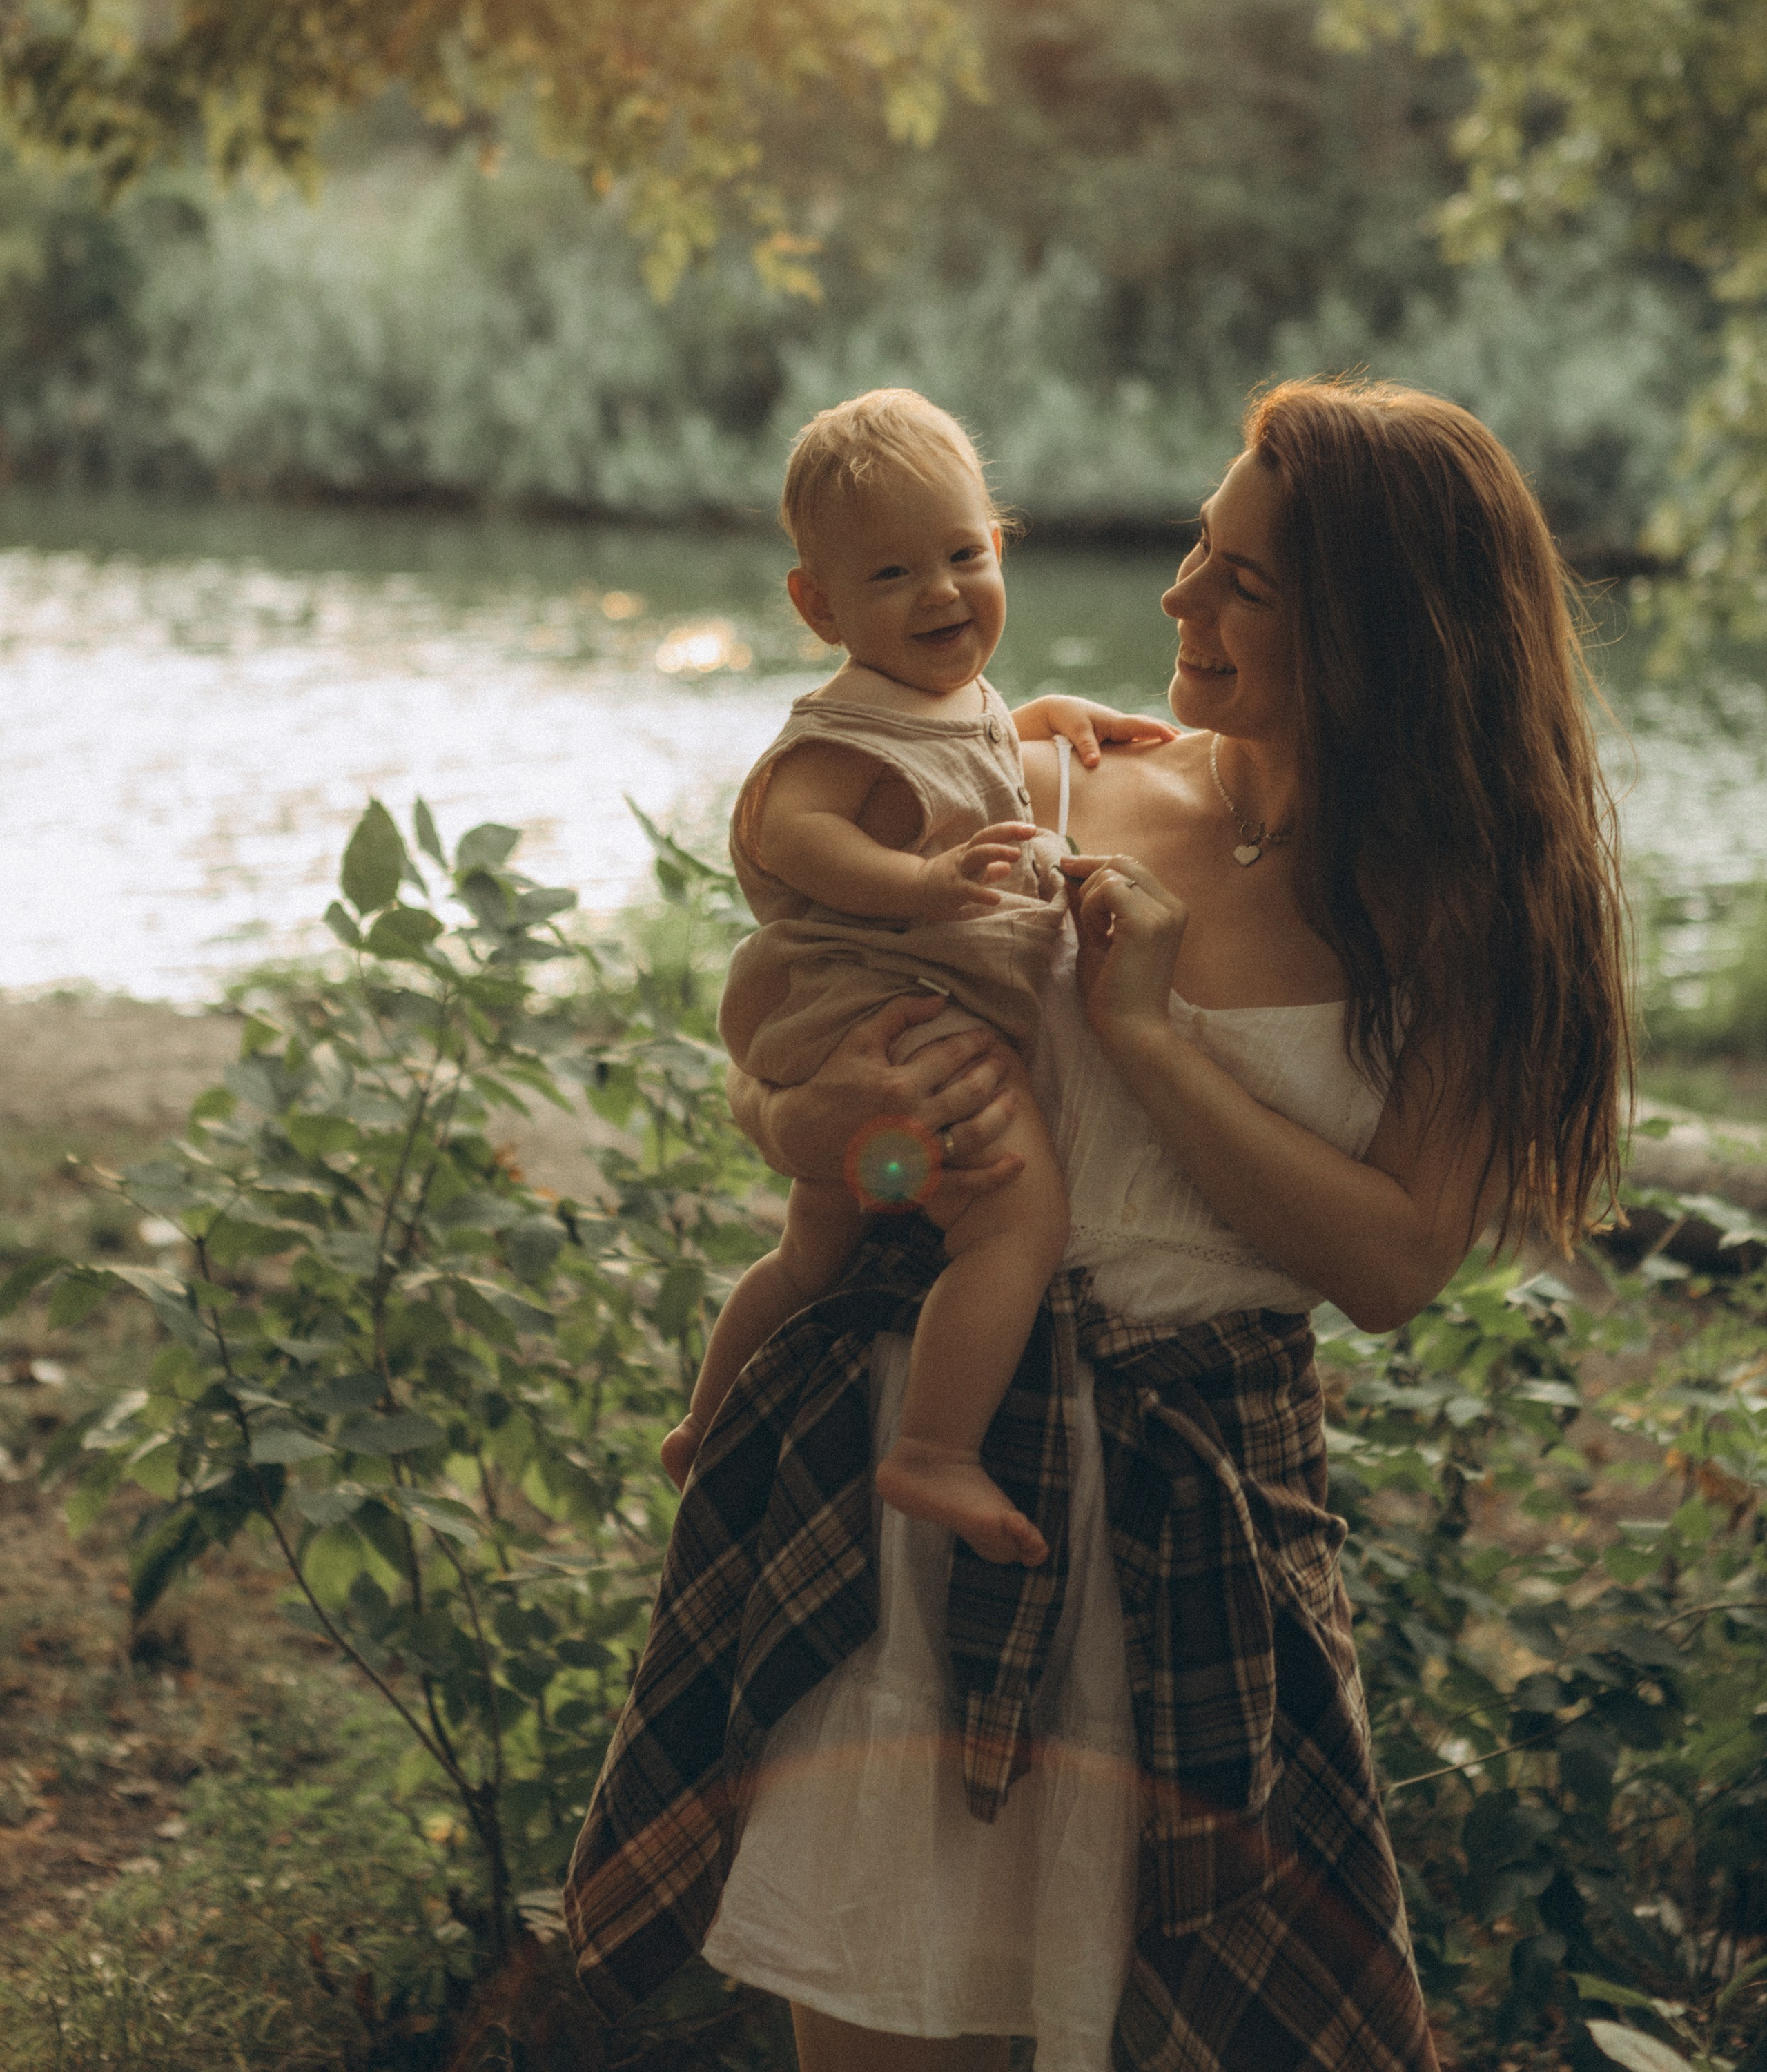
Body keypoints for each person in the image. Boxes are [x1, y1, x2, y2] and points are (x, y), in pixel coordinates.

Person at [565, 378, 1632, 2072]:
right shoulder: (1052, 777)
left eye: (1241, 583)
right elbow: (810, 1040)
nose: (1174, 602)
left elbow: (1387, 1266)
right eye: (1198, 553)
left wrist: (1146, 1028)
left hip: (1202, 1527)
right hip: (931, 1499)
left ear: (1385, 635)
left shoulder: (1473, 915)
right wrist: (816, 1129)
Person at [663, 387, 1173, 1564]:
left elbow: (973, 744)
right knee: (1015, 1219)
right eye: (892, 576)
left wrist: (1049, 717)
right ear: (817, 603)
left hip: (857, 1020)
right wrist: (926, 884)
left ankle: (703, 1423)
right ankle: (936, 1449)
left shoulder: (951, 699)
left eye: (961, 554)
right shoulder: (842, 728)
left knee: (810, 1252)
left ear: (1000, 542)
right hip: (881, 1014)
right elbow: (798, 834)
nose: (941, 591)